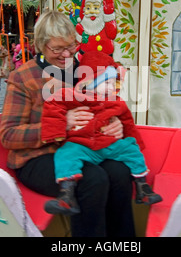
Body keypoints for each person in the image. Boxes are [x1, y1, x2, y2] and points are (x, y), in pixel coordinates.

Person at [0, 10, 136, 237]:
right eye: (57, 49)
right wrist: (60, 126)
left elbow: (105, 106)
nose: (66, 55)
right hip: (36, 157)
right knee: (92, 180)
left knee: (120, 171)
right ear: (41, 46)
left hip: (81, 148)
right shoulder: (24, 77)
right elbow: (9, 135)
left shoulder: (84, 70)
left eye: (71, 47)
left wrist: (116, 124)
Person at [41, 51, 162, 215]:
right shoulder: (73, 96)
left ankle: (143, 188)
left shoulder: (115, 102)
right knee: (65, 154)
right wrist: (55, 133)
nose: (111, 88)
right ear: (90, 82)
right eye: (107, 83)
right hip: (82, 145)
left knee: (131, 149)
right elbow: (53, 106)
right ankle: (66, 194)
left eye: (114, 84)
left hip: (109, 144)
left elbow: (127, 122)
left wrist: (134, 141)